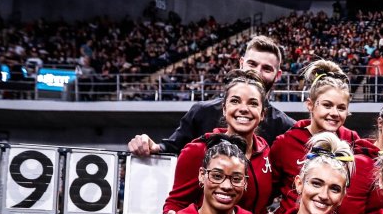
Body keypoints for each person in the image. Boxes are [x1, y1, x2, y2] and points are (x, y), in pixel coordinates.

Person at [127, 34, 296, 156]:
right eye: (252, 64)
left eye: (267, 68)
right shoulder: (202, 112)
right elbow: (171, 149)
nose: (257, 72)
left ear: (278, 75)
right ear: (241, 64)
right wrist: (150, 146)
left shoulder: (287, 128)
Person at [162, 70, 275, 214]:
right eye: (235, 101)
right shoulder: (198, 151)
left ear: (262, 114)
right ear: (224, 108)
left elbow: (262, 208)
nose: (243, 109)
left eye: (253, 103)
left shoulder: (265, 150)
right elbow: (177, 203)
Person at [269, 59, 361, 214]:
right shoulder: (285, 143)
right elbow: (268, 194)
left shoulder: (352, 140)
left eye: (341, 108)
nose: (334, 113)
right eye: (327, 105)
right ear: (310, 105)